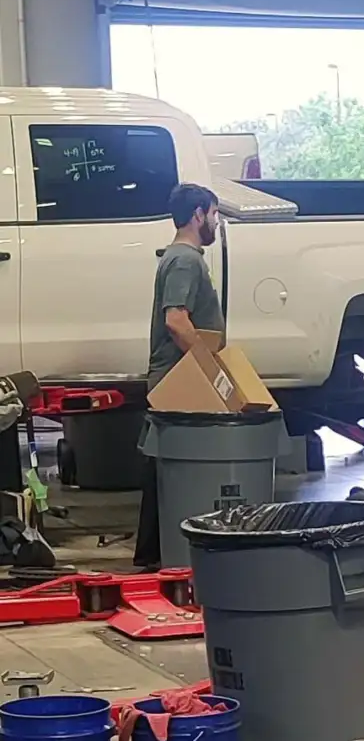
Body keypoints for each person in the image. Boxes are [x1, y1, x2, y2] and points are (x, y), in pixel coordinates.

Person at [134, 184, 225, 569]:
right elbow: (176, 320)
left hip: (176, 376)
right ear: (199, 214)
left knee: (165, 472)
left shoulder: (180, 258)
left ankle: (154, 557)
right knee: (179, 471)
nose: (218, 223)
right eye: (216, 214)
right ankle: (169, 557)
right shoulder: (186, 260)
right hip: (179, 378)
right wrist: (212, 368)